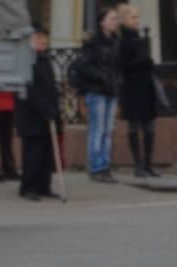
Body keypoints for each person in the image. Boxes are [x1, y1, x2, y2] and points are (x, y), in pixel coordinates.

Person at [75, 7, 122, 183]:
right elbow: (84, 66)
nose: (115, 22)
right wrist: (101, 76)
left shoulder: (117, 42)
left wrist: (117, 82)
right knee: (98, 130)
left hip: (112, 91)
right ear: (102, 22)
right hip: (96, 91)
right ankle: (96, 167)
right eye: (112, 19)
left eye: (116, 19)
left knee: (108, 131)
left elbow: (119, 67)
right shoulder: (93, 43)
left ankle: (105, 165)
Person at [15, 25, 61, 201]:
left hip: (46, 114)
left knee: (46, 153)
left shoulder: (45, 59)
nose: (42, 41)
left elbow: (50, 87)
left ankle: (43, 186)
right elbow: (30, 90)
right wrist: (45, 107)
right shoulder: (26, 60)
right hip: (31, 115)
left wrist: (53, 108)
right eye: (38, 37)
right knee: (33, 153)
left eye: (44, 37)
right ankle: (29, 187)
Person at [119, 5, 161, 177]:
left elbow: (146, 61)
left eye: (137, 17)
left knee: (149, 125)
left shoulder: (140, 37)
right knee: (134, 125)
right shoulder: (123, 40)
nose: (137, 20)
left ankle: (149, 164)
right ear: (124, 19)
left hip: (145, 86)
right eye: (133, 17)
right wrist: (143, 62)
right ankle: (138, 164)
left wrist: (147, 62)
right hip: (132, 88)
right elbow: (124, 66)